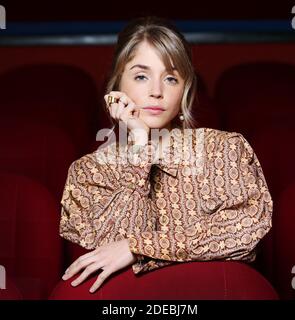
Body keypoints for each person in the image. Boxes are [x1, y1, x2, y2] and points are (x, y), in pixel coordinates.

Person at [59, 16, 273, 294]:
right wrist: (138, 145)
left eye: (170, 78)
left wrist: (138, 247)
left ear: (186, 89)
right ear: (116, 87)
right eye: (141, 76)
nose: (157, 91)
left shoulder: (225, 149)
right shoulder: (88, 173)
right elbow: (118, 270)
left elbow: (244, 235)